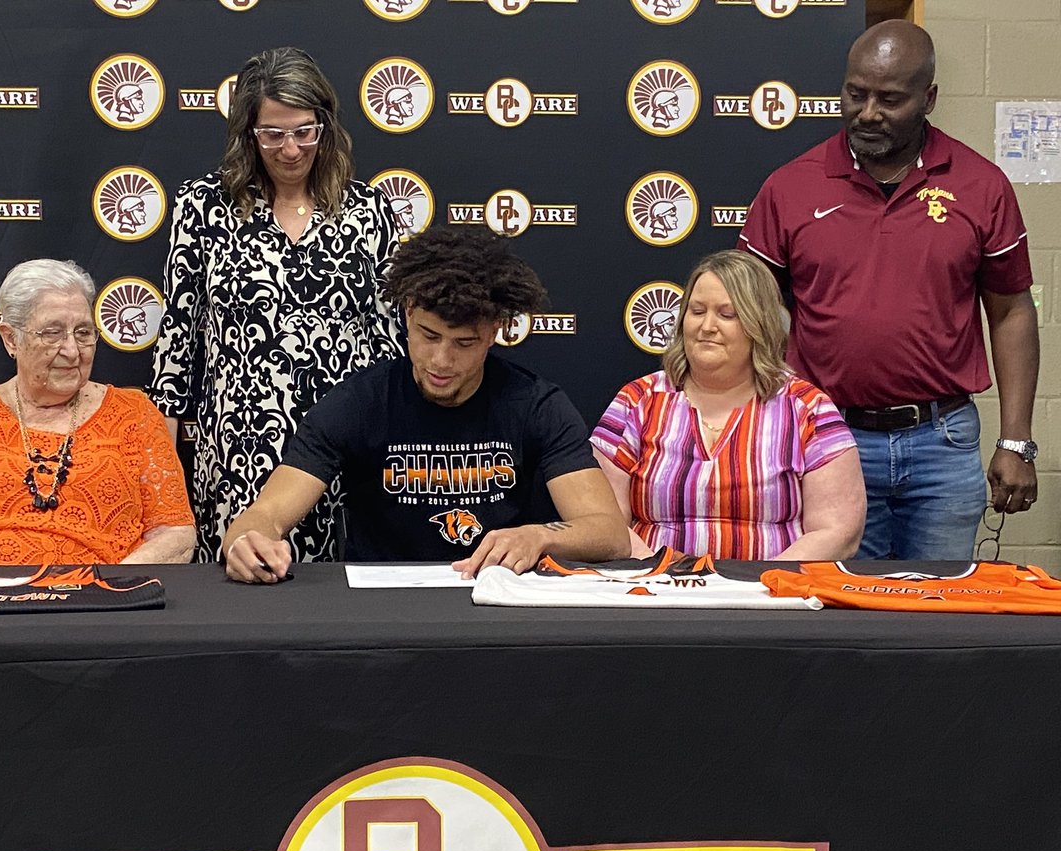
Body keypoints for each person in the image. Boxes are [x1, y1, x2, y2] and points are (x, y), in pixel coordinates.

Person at [738, 20, 1038, 560]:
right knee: (841, 617)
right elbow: (748, 309)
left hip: (942, 441)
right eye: (856, 94)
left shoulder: (980, 185)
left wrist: (1015, 441)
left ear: (929, 98)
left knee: (938, 615)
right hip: (827, 439)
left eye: (890, 99)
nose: (868, 112)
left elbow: (1012, 311)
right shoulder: (790, 186)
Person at [223, 228, 630, 584]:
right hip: (383, 614)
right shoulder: (359, 402)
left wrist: (540, 536)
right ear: (408, 311)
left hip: (499, 601)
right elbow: (267, 514)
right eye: (429, 336)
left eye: (463, 343)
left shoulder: (535, 404)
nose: (441, 361)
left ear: (494, 332)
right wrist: (247, 541)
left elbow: (609, 534)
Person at [150, 47, 402, 564]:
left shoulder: (369, 208)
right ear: (249, 134)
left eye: (304, 131)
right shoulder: (204, 205)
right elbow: (177, 339)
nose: (290, 149)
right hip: (237, 448)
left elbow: (390, 338)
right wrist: (160, 470)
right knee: (243, 594)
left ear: (326, 126)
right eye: (273, 134)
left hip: (343, 445)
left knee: (342, 607)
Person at [0, 259, 195, 566]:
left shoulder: (134, 415)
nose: (72, 350)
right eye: (52, 333)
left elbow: (174, 534)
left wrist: (110, 589)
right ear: (11, 338)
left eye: (84, 333)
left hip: (100, 605)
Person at [592, 250, 865, 561]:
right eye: (696, 311)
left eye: (727, 314)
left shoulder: (808, 409)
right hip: (655, 594)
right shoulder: (636, 401)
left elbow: (837, 531)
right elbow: (602, 520)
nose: (707, 326)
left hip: (770, 596)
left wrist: (759, 586)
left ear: (757, 324)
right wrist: (662, 573)